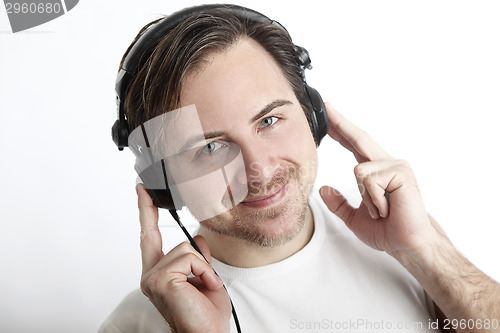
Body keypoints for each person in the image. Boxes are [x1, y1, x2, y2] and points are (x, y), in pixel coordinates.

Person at [101, 4, 500, 333]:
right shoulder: (140, 325)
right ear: (163, 181)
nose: (259, 169)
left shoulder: (407, 241)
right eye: (211, 146)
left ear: (312, 116)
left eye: (269, 121)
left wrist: (427, 253)